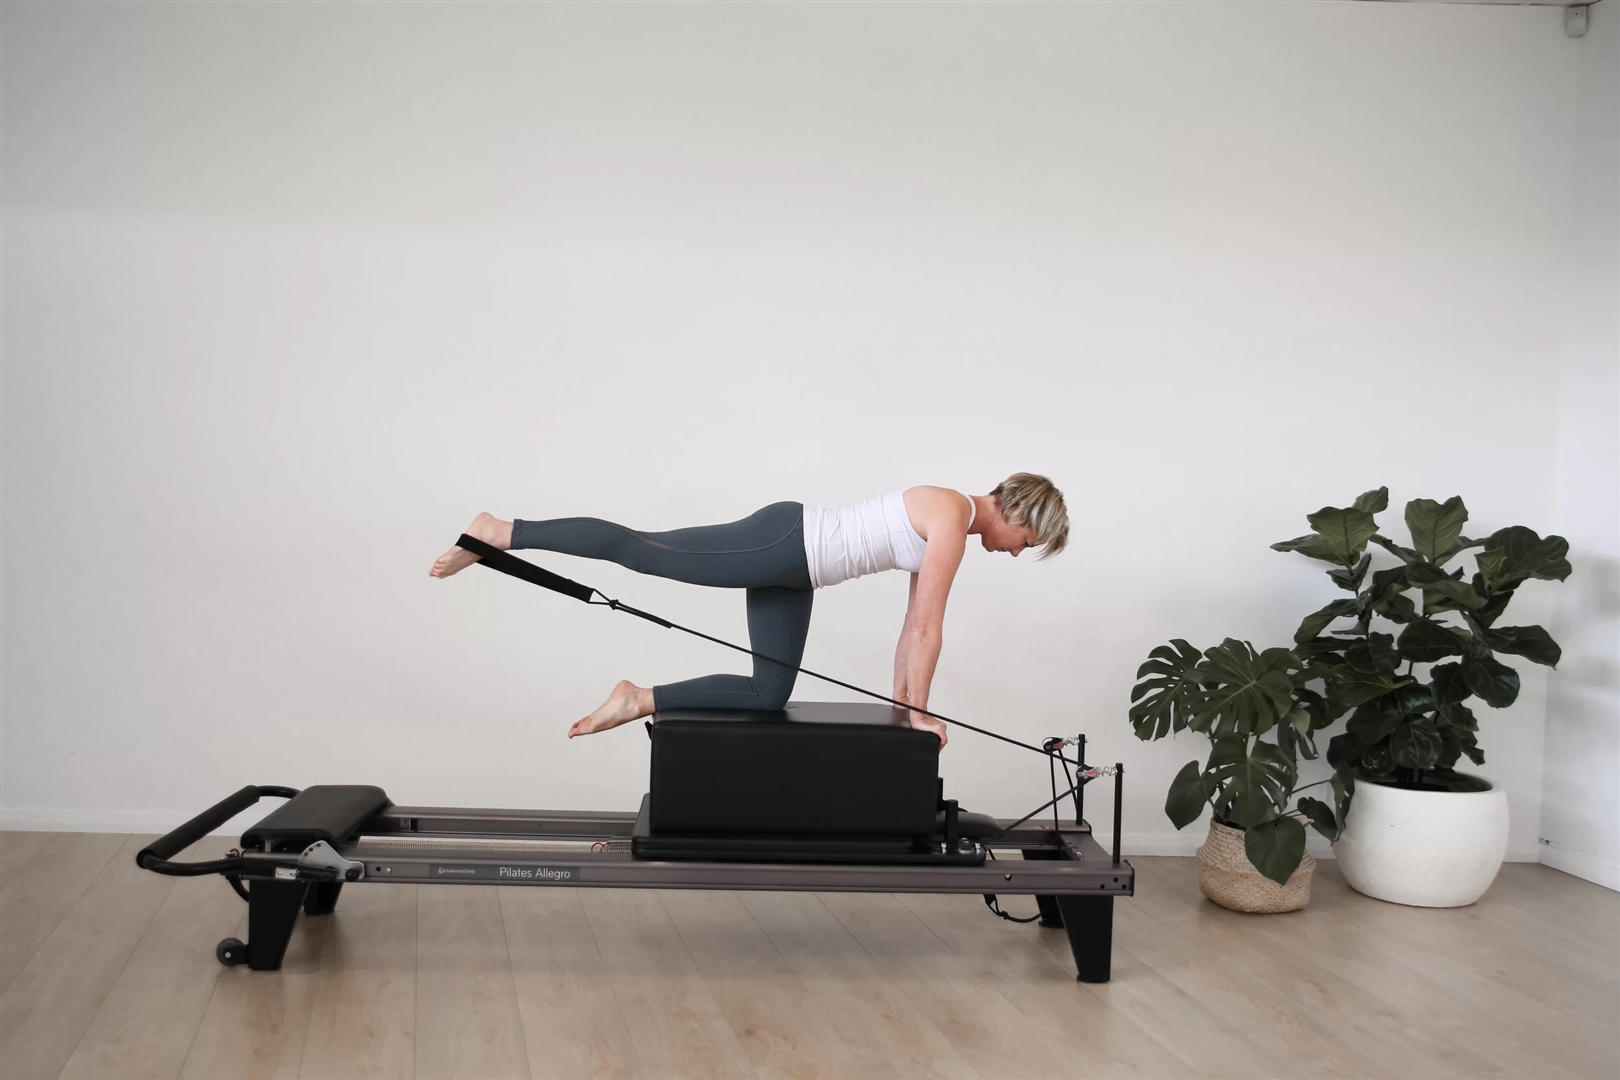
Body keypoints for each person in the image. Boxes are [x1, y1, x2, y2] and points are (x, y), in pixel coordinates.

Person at [429, 473, 1069, 746]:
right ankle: (501, 531)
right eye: (1028, 541)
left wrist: (906, 711)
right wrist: (923, 714)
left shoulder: (950, 517)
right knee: (644, 551)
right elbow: (929, 627)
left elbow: (912, 628)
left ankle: (638, 698)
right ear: (1020, 512)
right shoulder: (953, 516)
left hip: (797, 574)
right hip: (784, 544)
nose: (1019, 551)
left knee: (768, 693)